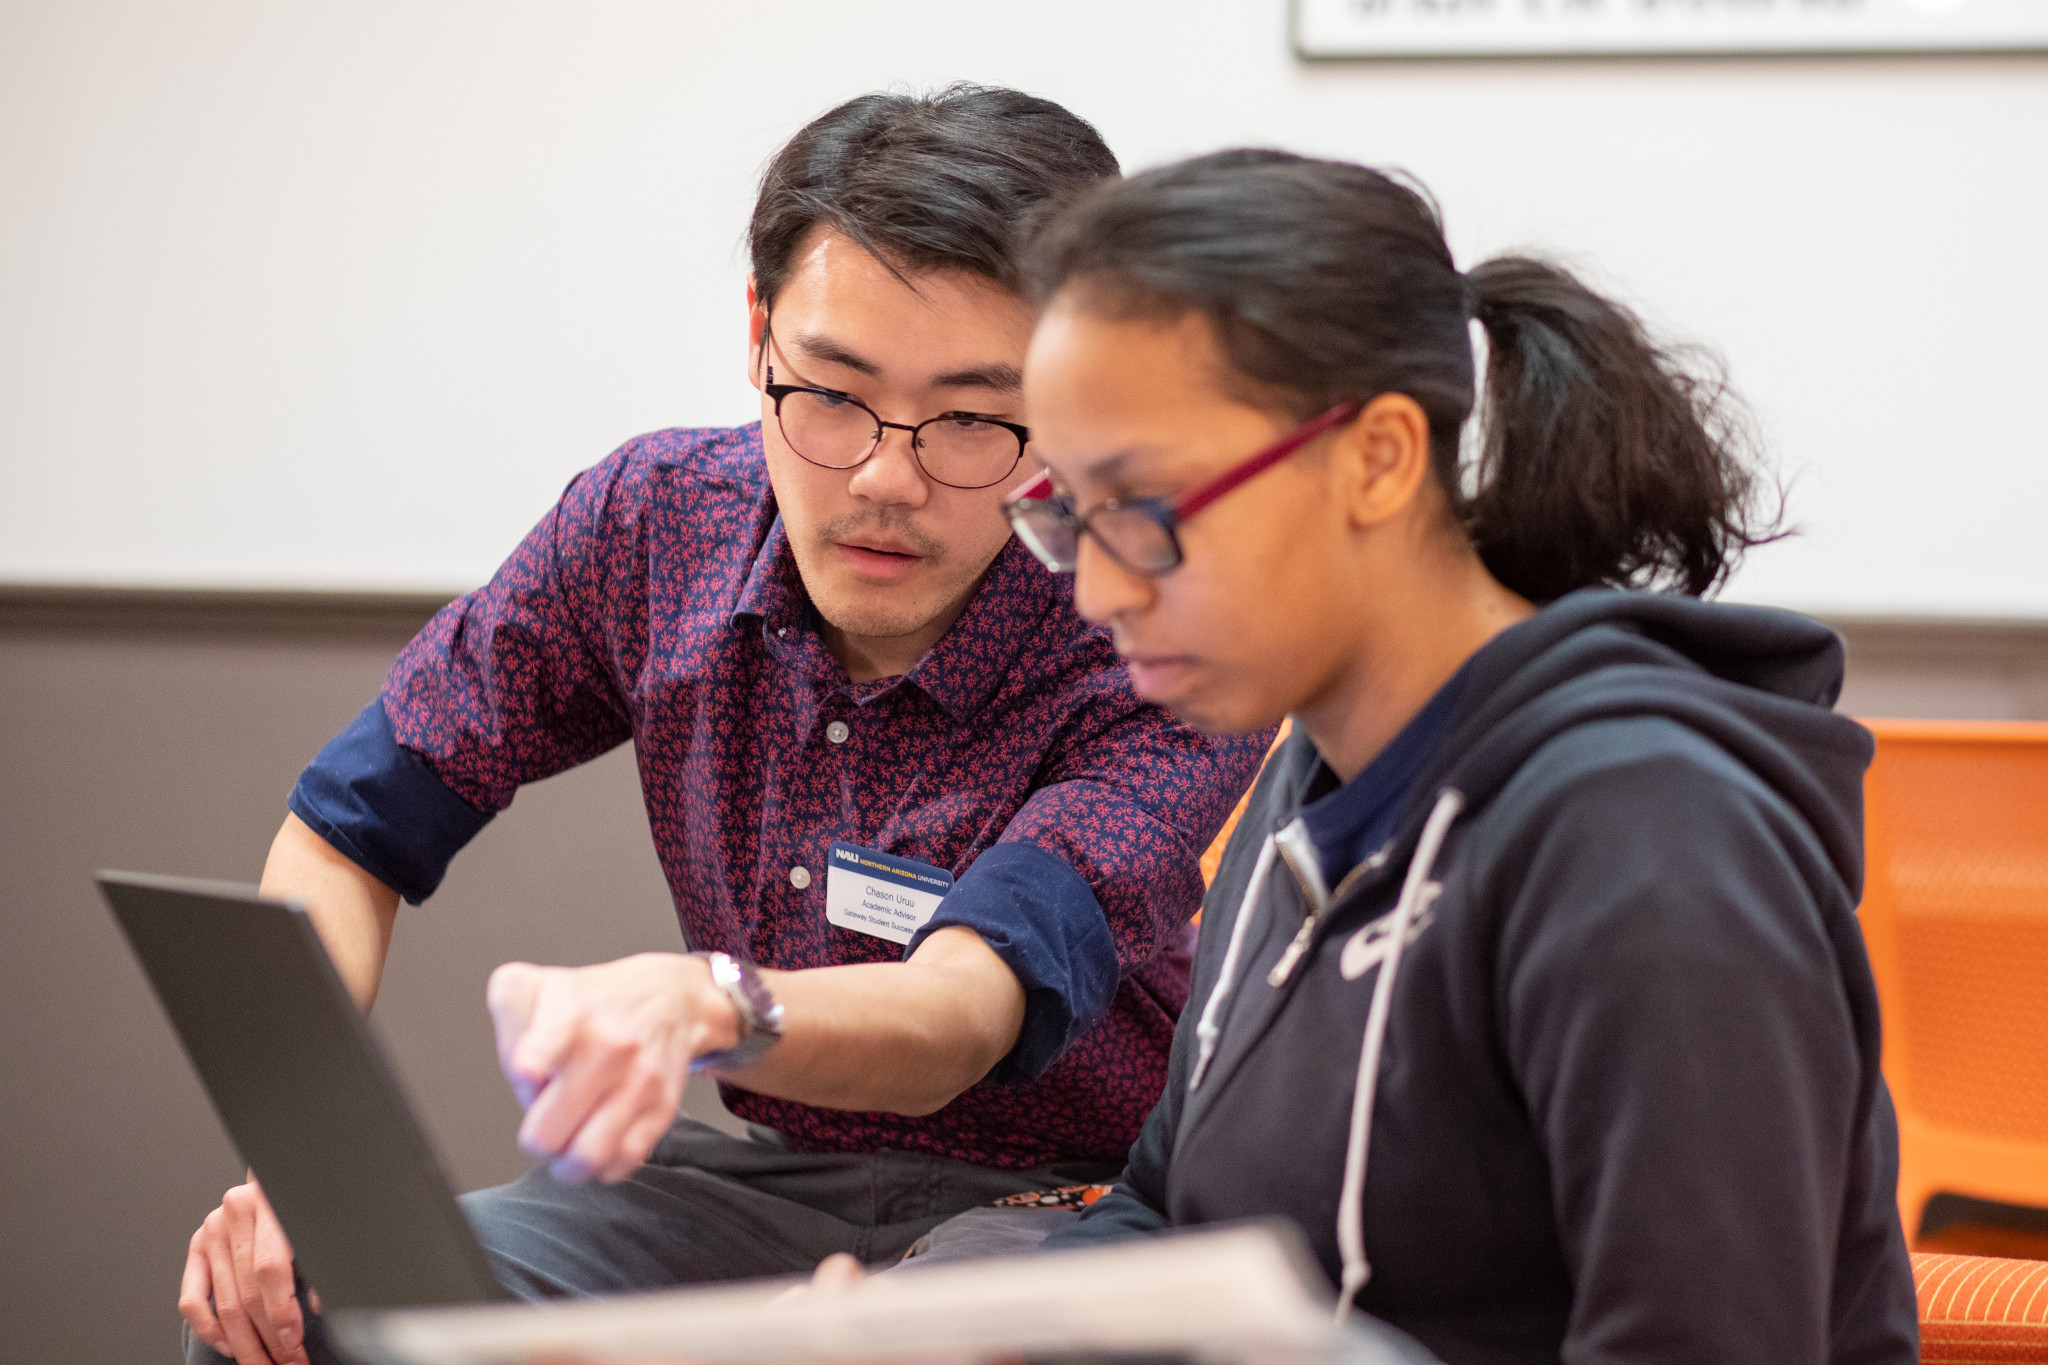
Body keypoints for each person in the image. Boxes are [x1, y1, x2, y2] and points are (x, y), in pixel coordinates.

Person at [177, 89, 1271, 1365]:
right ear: (757, 337)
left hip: (1078, 1195)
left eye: (974, 417)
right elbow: (347, 831)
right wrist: (298, 1169)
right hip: (769, 1180)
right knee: (305, 1314)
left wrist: (706, 1003)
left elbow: (960, 1017)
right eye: (831, 394)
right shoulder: (658, 522)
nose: (883, 476)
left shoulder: (1145, 617)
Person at [992, 149, 1921, 1363]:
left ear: (1375, 458)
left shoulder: (1644, 841)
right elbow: (1171, 1206)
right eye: (1066, 517)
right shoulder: (1308, 784)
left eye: (1146, 509)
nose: (1099, 590)